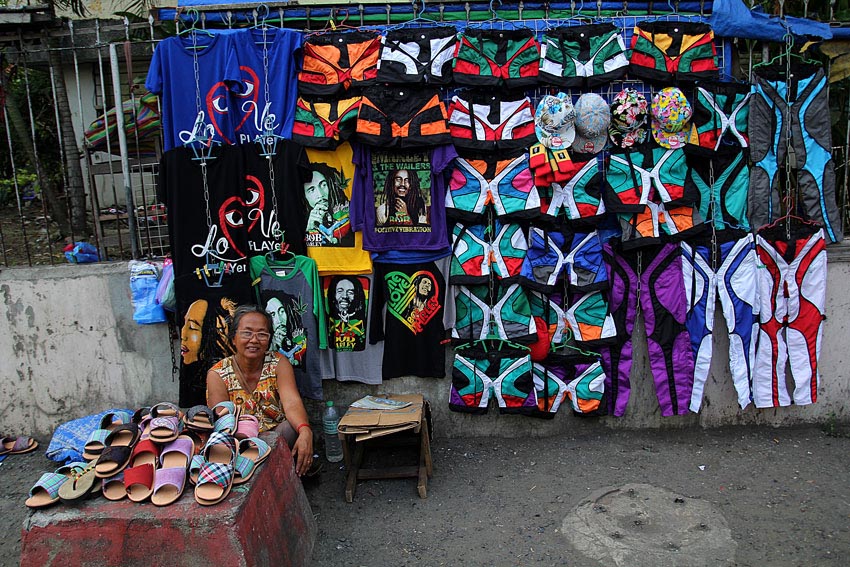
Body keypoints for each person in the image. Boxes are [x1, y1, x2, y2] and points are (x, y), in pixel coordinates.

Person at [206, 304, 316, 476]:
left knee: (292, 428)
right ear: (233, 338)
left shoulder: (278, 363)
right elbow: (222, 424)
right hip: (241, 444)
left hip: (277, 437)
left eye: (262, 334)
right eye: (247, 333)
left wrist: (305, 430)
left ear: (269, 339)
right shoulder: (217, 374)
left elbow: (292, 402)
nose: (254, 340)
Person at [303, 163, 353, 246]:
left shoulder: (350, 209)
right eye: (311, 190)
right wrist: (309, 229)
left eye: (323, 185)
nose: (320, 194)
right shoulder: (301, 221)